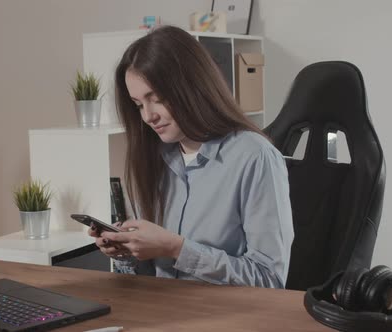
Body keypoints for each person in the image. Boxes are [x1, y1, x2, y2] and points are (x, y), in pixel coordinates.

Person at [88, 25, 294, 288]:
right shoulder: (154, 158)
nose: (148, 116)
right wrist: (128, 250)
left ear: (193, 88)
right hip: (165, 312)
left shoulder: (255, 157)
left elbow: (270, 280)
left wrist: (176, 248)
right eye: (139, 104)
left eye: (158, 99)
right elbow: (150, 276)